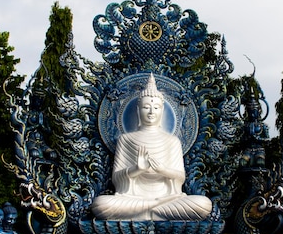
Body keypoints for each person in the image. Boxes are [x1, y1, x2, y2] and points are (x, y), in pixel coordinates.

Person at [91, 73, 212, 221]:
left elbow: (180, 177)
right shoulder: (125, 139)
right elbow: (117, 179)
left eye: (156, 107)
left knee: (203, 204)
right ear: (138, 110)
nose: (151, 112)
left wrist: (163, 170)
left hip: (168, 199)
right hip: (134, 199)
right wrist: (137, 169)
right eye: (146, 107)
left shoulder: (172, 141)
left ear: (162, 110)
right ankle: (154, 210)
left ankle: (144, 212)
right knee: (101, 204)